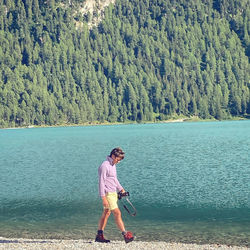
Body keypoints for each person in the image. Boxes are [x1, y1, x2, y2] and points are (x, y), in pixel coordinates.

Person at [95, 147, 134, 243]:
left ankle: (99, 235)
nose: (118, 161)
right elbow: (101, 183)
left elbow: (114, 179)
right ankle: (125, 235)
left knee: (106, 213)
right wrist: (103, 198)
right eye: (118, 159)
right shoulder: (104, 166)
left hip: (113, 193)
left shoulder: (113, 165)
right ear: (113, 156)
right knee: (117, 213)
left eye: (120, 160)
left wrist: (121, 189)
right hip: (107, 194)